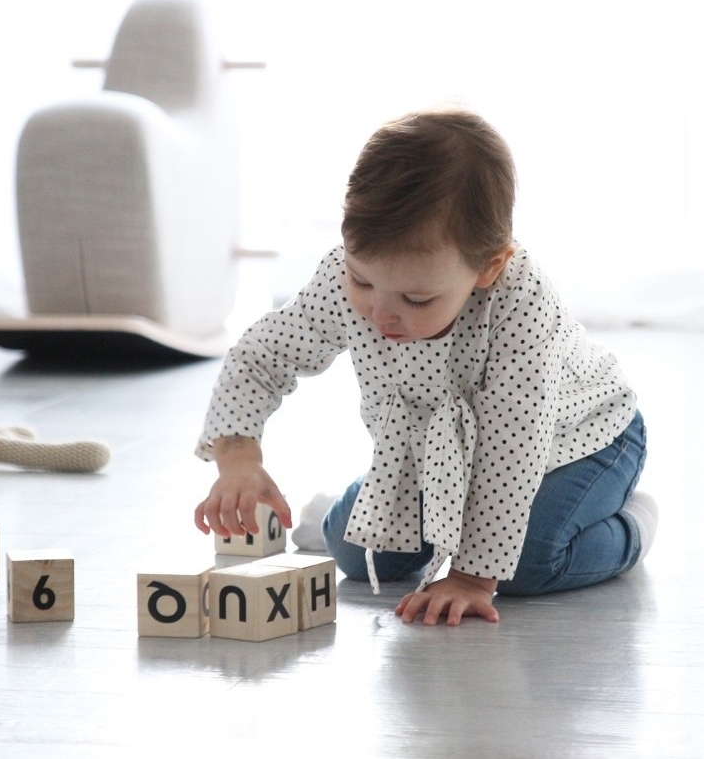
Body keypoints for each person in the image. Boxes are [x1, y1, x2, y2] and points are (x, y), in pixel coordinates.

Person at [193, 108, 655, 626]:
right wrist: (237, 456)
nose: (380, 313)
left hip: (580, 442)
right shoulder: (345, 276)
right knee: (356, 552)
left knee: (523, 565)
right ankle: (338, 512)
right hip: (439, 456)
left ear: (489, 267)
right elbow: (262, 356)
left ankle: (632, 526)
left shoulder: (521, 304)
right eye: (362, 281)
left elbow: (513, 446)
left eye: (416, 299)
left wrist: (473, 577)